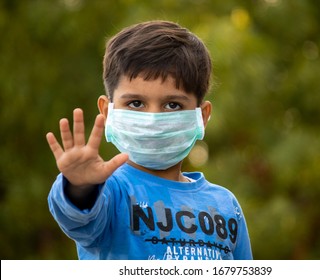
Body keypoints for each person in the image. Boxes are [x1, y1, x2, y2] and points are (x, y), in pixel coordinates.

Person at [46, 20, 252, 260]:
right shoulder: (110, 193)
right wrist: (80, 187)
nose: (153, 119)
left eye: (172, 105)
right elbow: (77, 217)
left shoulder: (226, 205)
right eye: (136, 103)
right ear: (107, 110)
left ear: (202, 116)